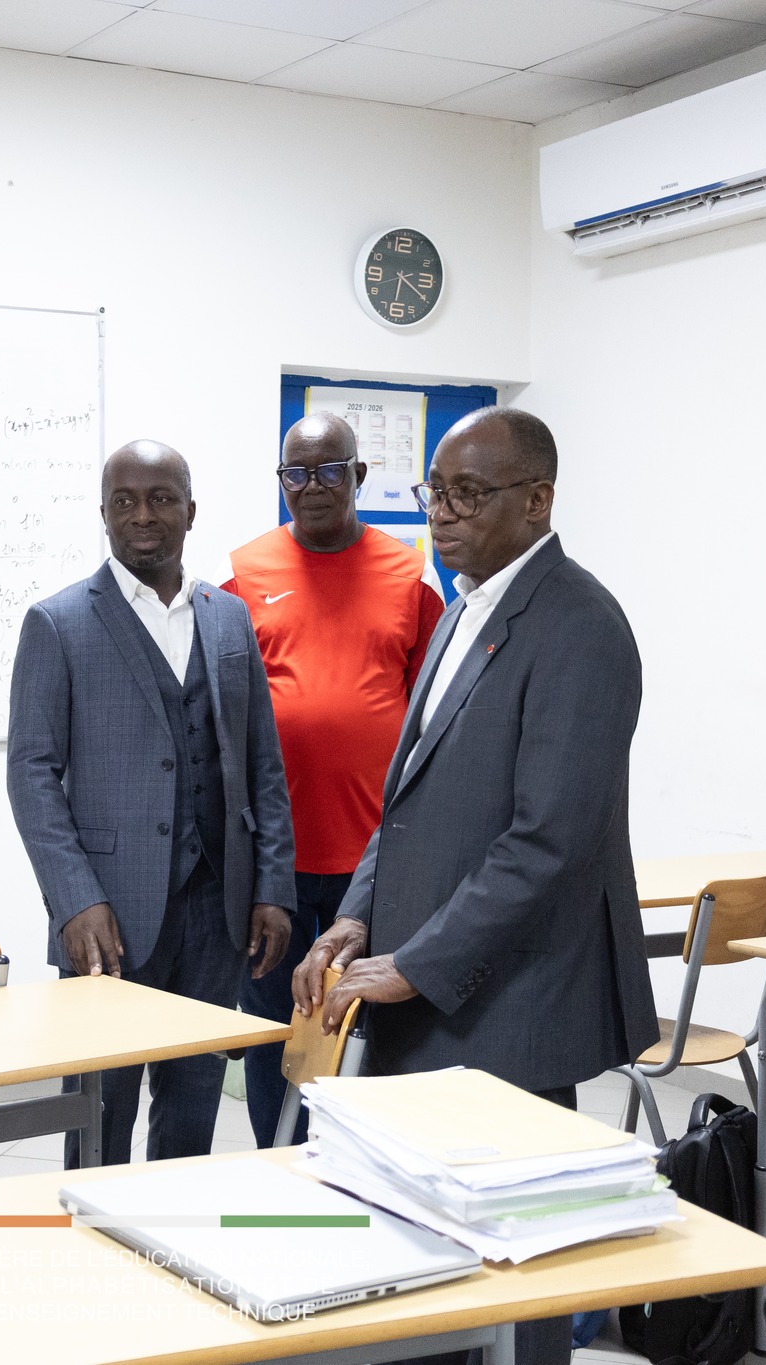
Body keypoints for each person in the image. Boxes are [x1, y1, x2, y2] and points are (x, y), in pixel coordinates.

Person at [291, 407, 657, 1365]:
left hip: (511, 995)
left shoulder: (580, 625)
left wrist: (418, 962)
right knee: (420, 1233)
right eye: (433, 492)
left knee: (513, 1255)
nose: (440, 514)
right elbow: (405, 800)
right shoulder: (462, 606)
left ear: (537, 499)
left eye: (467, 493)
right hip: (426, 977)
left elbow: (550, 841)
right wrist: (355, 918)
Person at [7, 439, 296, 1166]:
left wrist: (272, 886)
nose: (144, 515)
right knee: (100, 1112)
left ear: (190, 511)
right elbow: (31, 773)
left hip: (215, 914)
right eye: (126, 501)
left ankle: (172, 1249)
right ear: (102, 513)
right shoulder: (59, 622)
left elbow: (263, 764)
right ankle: (93, 1260)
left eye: (162, 498)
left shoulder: (228, 620)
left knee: (192, 1108)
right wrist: (75, 900)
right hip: (108, 916)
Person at [222, 412, 442, 1146]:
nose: (309, 486)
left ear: (358, 475)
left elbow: (435, 711)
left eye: (326, 470)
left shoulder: (409, 574)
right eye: (295, 473)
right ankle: (275, 1159)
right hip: (272, 860)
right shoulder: (244, 573)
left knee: (370, 1019)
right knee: (273, 1027)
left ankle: (363, 1159)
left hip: (376, 857)